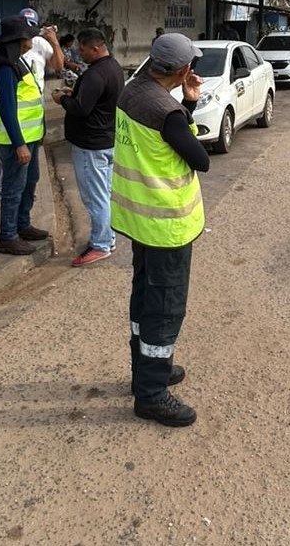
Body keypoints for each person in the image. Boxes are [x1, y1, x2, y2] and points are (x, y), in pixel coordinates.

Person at [112, 33, 209, 428]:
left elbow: (160, 141)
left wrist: (185, 102)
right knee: (165, 308)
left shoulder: (131, 91)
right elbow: (199, 158)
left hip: (140, 220)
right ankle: (151, 394)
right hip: (167, 225)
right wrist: (187, 106)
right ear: (184, 70)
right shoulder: (165, 111)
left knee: (144, 297)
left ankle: (147, 369)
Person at [53, 28, 124, 267]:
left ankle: (101, 244)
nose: (79, 53)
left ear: (95, 48)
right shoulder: (113, 68)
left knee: (95, 198)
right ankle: (108, 238)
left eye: (82, 50)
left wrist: (61, 99)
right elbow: (95, 100)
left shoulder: (96, 74)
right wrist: (75, 93)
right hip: (105, 140)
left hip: (91, 145)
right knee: (103, 194)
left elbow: (81, 108)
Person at [0, 8, 63, 208]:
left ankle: (23, 215)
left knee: (28, 172)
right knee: (4, 157)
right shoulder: (1, 53)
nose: (30, 37)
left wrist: (54, 41)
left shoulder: (40, 43)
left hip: (33, 113)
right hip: (12, 116)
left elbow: (58, 66)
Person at [0, 16, 50, 256]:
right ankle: (8, 236)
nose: (31, 40)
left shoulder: (18, 61)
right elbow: (6, 108)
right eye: (28, 36)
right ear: (19, 40)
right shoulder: (5, 66)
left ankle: (22, 225)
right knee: (13, 187)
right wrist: (19, 144)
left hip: (30, 137)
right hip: (17, 141)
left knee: (29, 181)